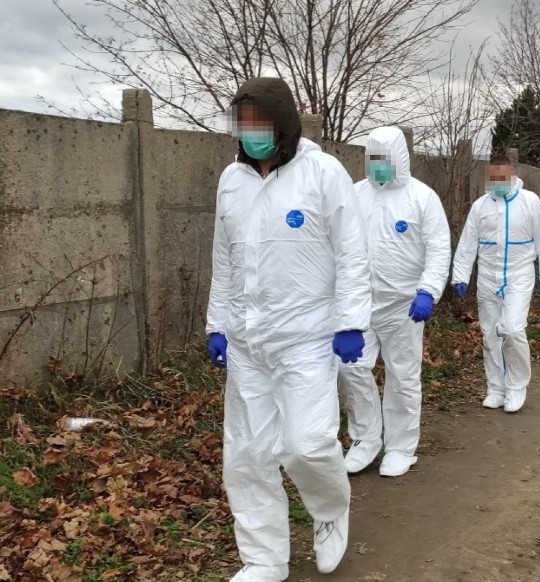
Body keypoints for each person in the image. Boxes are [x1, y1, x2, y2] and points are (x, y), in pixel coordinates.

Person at [206, 77, 372, 582]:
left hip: (307, 337)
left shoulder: (322, 172)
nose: (251, 133)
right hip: (247, 340)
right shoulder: (230, 181)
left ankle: (329, 509)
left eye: (260, 122)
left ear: (283, 123)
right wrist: (217, 325)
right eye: (244, 123)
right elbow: (224, 259)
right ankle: (264, 558)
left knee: (306, 444)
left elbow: (351, 252)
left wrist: (350, 322)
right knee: (248, 455)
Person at [337, 126, 451, 478]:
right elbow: (339, 246)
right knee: (350, 368)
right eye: (372, 159)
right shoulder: (354, 195)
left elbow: (438, 248)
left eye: (384, 160)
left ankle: (401, 447)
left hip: (405, 306)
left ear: (399, 159)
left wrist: (428, 290)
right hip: (360, 304)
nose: (378, 166)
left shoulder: (422, 198)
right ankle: (365, 439)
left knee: (403, 376)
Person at [451, 153, 540, 412]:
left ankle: (517, 385)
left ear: (512, 175)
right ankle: (496, 387)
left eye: (502, 177)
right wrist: (460, 276)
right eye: (493, 177)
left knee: (512, 329)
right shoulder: (481, 206)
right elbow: (467, 244)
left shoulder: (530, 202)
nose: (498, 182)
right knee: (490, 335)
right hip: (488, 276)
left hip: (519, 274)